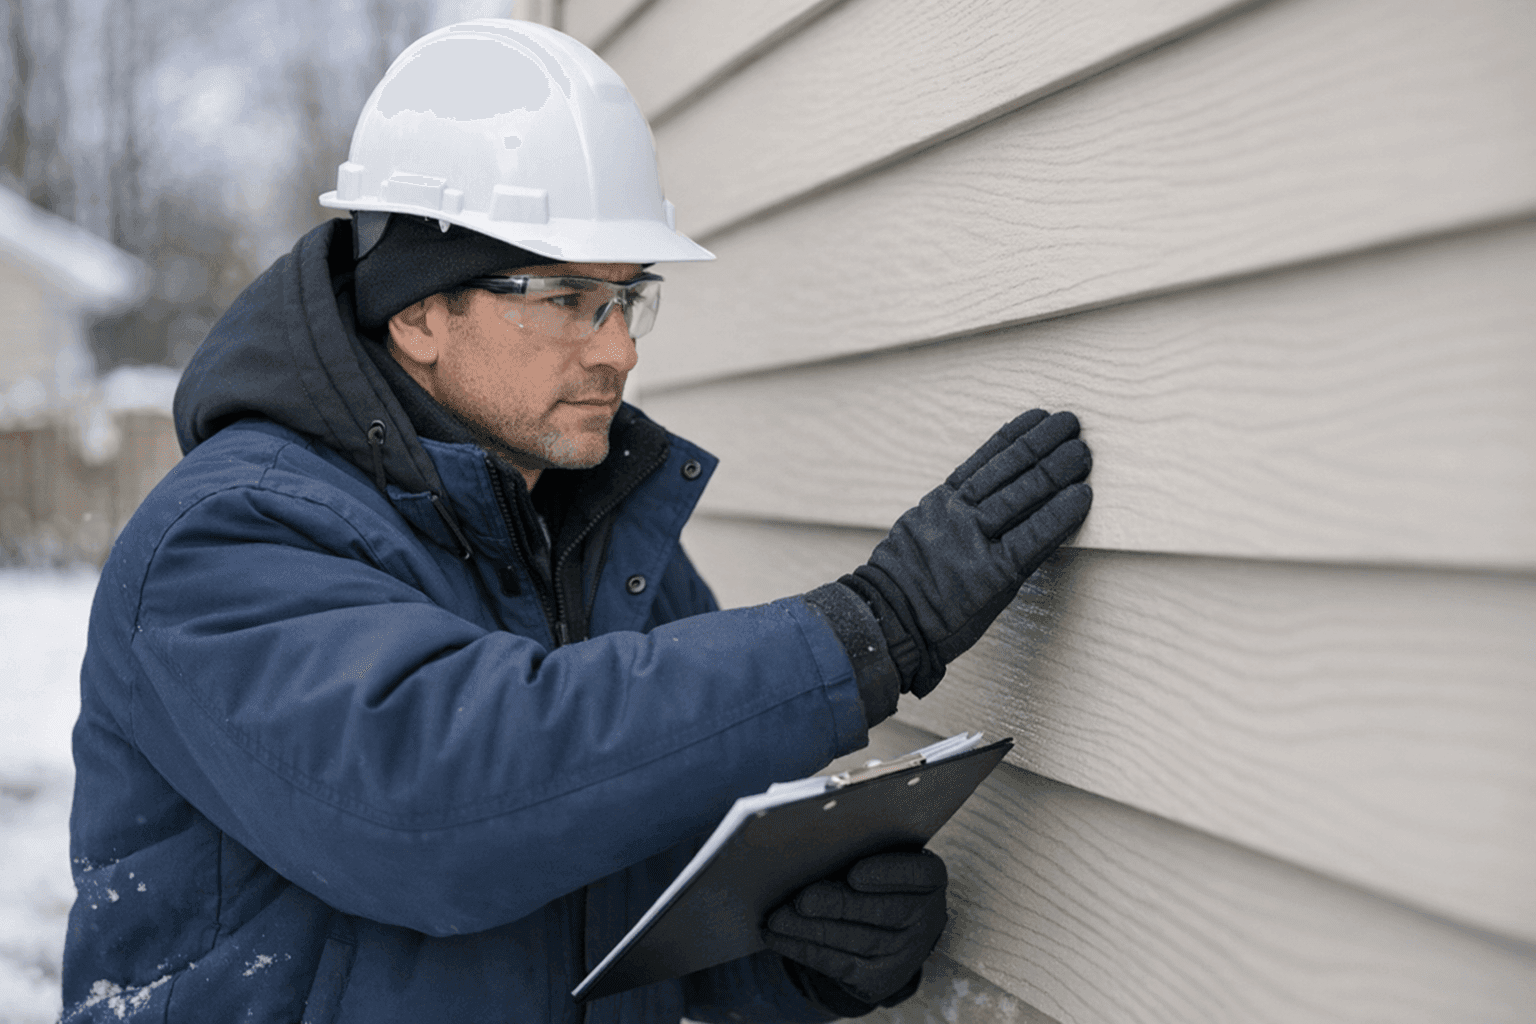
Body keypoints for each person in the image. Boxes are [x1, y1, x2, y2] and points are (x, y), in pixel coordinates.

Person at [61, 19, 1092, 1024]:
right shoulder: (225, 540)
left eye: (626, 296)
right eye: (563, 297)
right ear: (418, 310)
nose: (619, 352)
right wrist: (873, 628)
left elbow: (624, 887)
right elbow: (436, 806)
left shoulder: (591, 537)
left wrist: (799, 959)